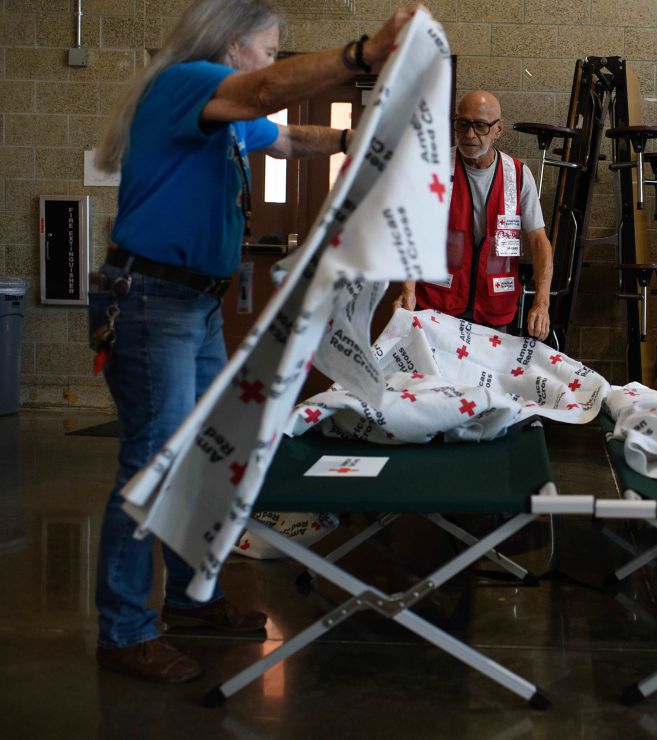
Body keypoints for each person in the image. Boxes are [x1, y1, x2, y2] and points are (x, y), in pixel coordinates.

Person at [89, 0, 423, 684]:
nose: (271, 62)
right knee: (151, 466)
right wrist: (361, 55)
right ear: (231, 45)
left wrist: (346, 142)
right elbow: (268, 91)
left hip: (193, 306)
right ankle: (124, 631)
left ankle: (187, 599)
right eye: (268, 49)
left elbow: (285, 137)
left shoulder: (227, 118)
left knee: (205, 460)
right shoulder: (187, 80)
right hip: (154, 302)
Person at [394, 91, 554, 339]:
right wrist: (407, 289)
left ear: (498, 129)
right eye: (462, 124)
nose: (469, 135)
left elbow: (539, 241)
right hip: (438, 305)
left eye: (480, 126)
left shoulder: (518, 175)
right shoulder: (434, 169)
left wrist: (542, 303)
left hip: (494, 309)